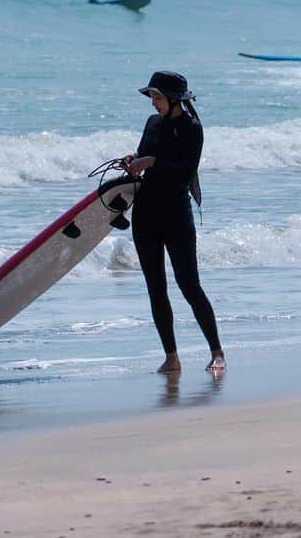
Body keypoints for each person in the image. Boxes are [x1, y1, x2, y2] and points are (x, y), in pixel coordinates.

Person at [124, 71, 225, 374]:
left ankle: (217, 353)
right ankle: (171, 356)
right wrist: (134, 160)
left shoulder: (192, 129)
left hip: (176, 215)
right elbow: (144, 157)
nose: (153, 103)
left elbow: (184, 172)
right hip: (145, 214)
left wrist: (153, 162)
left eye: (157, 97)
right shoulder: (152, 124)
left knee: (189, 285)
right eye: (152, 98)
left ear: (174, 99)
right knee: (156, 288)